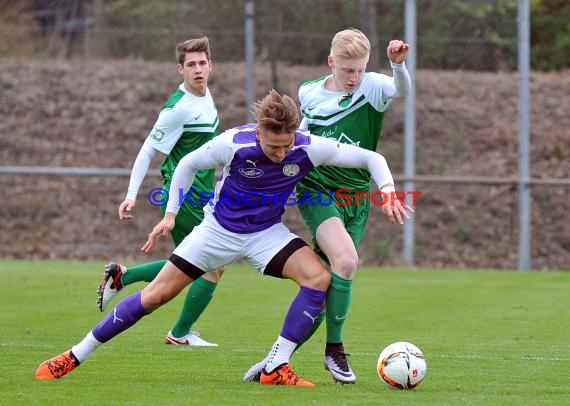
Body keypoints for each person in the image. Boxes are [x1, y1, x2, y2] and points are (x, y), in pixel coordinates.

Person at [35, 89, 411, 386]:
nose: (281, 154)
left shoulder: (308, 147)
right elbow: (187, 164)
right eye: (273, 146)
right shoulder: (234, 143)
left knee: (320, 278)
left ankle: (275, 365)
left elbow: (370, 159)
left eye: (286, 145)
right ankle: (74, 354)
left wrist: (389, 190)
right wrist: (170, 214)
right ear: (259, 131)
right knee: (155, 296)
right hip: (217, 233)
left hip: (266, 234)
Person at [244, 28, 411, 384]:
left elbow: (403, 90)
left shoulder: (374, 87)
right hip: (317, 188)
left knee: (328, 284)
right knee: (347, 261)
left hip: (355, 195)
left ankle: (277, 357)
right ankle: (334, 351)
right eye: (347, 70)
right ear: (331, 62)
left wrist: (398, 66)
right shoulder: (309, 92)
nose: (354, 78)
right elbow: (300, 135)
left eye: (361, 70)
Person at [97, 36, 223, 346]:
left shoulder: (205, 96)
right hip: (182, 197)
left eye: (202, 63)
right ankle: (179, 333)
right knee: (208, 265)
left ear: (211, 66)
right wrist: (131, 193)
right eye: (190, 64)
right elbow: (147, 151)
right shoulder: (176, 109)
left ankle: (123, 277)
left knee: (194, 264)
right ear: (180, 69)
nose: (197, 69)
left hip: (202, 194)